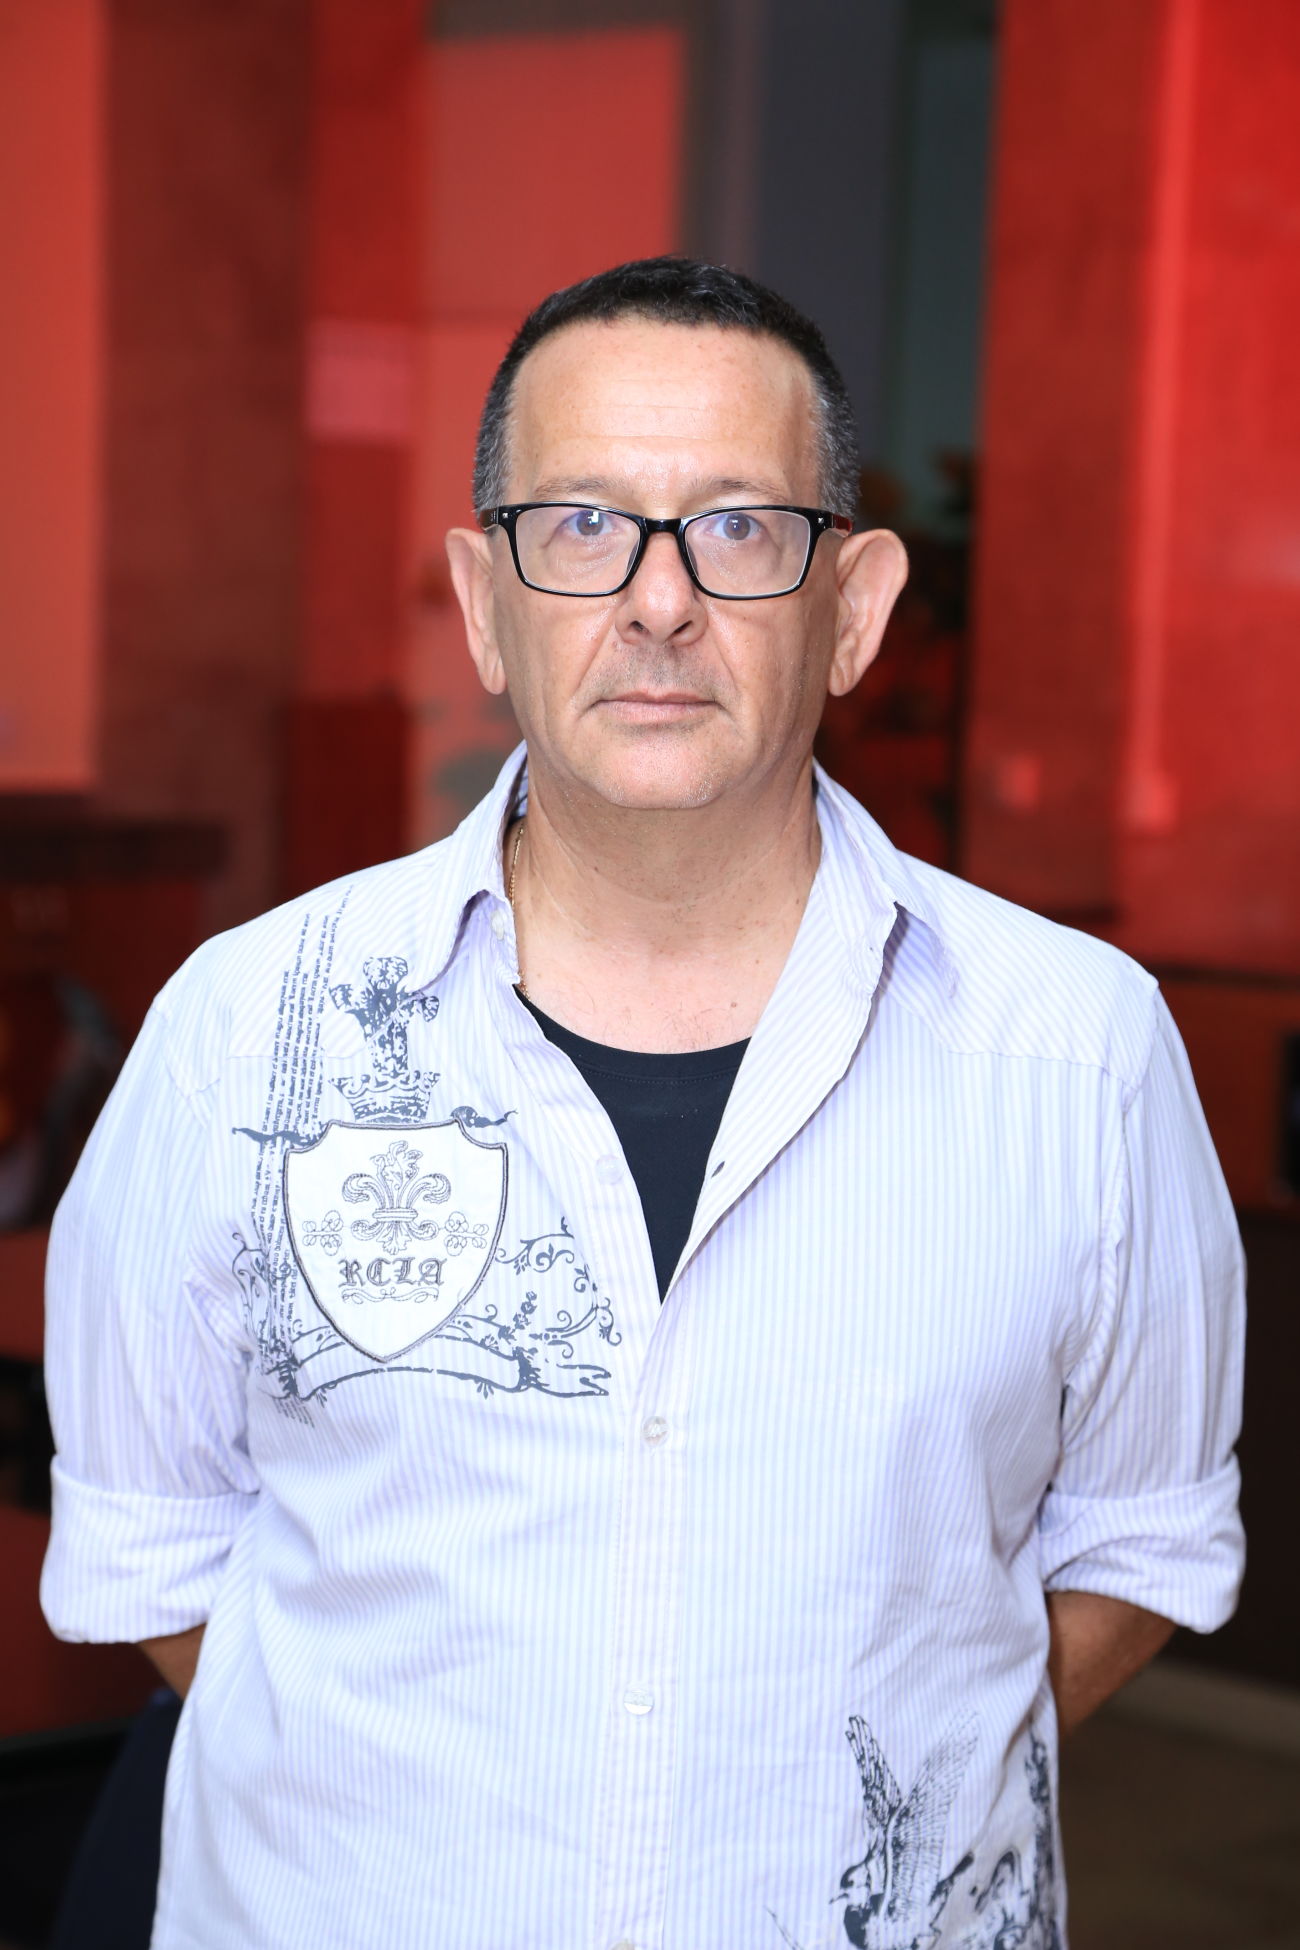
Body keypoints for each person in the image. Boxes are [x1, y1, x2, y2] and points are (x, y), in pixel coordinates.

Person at [41, 257, 1244, 1950]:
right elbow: (161, 1541)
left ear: (855, 607)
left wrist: (862, 1769)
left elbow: (1139, 1535)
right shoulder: (245, 1035)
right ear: (484, 602)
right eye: (582, 525)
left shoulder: (1080, 1054)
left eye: (739, 527)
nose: (658, 602)